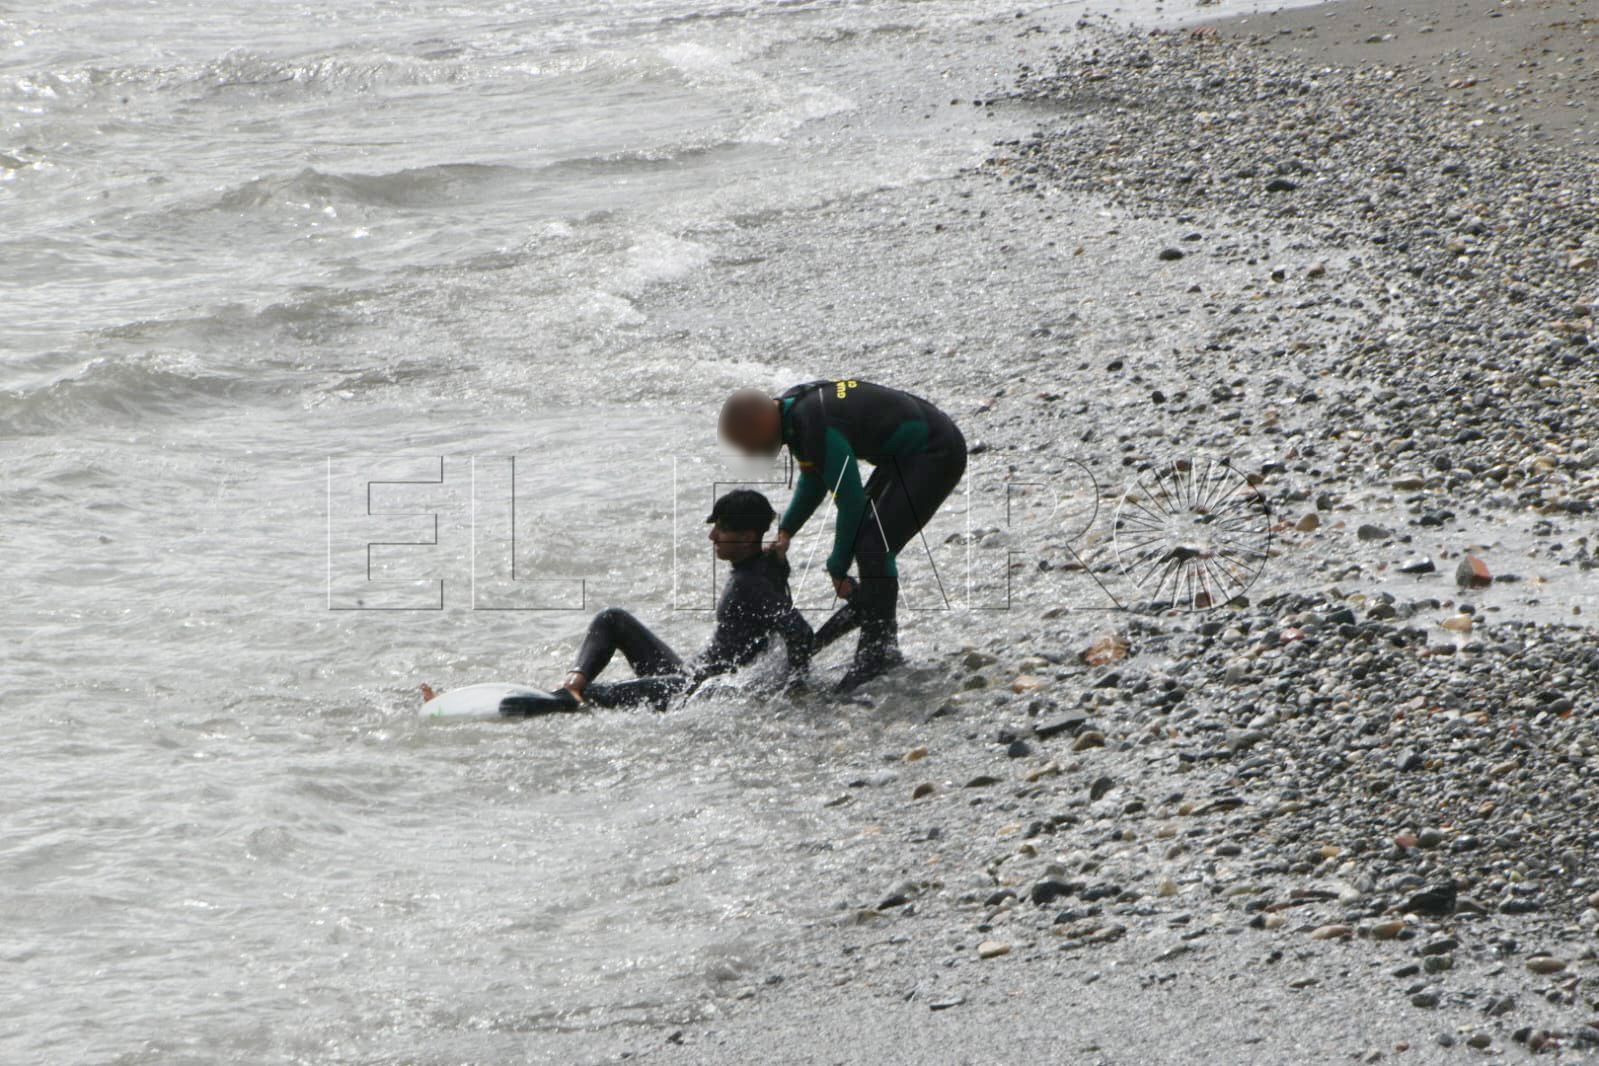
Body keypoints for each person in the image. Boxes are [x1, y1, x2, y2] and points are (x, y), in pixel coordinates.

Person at [718, 380, 967, 691]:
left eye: (746, 443)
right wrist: (787, 530)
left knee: (874, 545)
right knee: (867, 539)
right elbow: (814, 479)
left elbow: (851, 502)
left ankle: (878, 653)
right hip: (903, 456)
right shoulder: (793, 413)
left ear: (762, 422)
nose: (748, 453)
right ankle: (878, 634)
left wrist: (837, 566)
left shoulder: (813, 423)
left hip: (936, 451)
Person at [487, 489, 812, 715]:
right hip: (690, 675)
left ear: (747, 536)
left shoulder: (750, 584)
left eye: (722, 530)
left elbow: (800, 630)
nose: (712, 537)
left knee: (592, 697)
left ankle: (528, 701)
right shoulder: (768, 565)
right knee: (612, 618)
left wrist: (795, 687)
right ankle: (571, 684)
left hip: (692, 689)